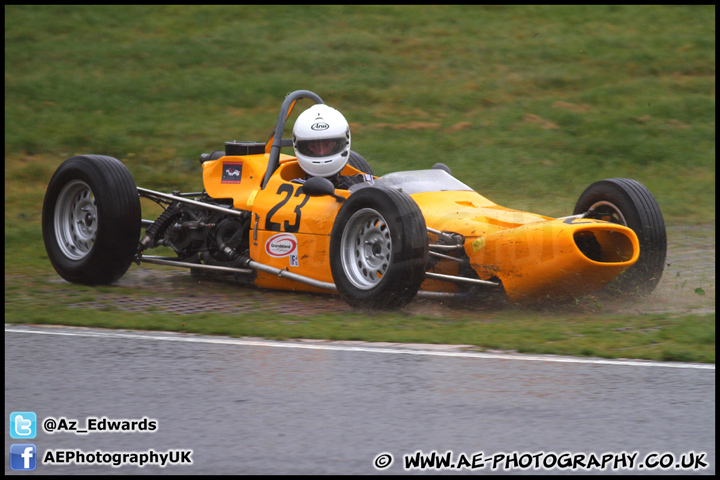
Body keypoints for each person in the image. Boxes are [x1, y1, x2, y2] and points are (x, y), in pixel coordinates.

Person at [292, 104, 372, 189]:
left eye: (328, 145)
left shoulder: (363, 183)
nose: (321, 152)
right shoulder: (293, 187)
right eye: (313, 146)